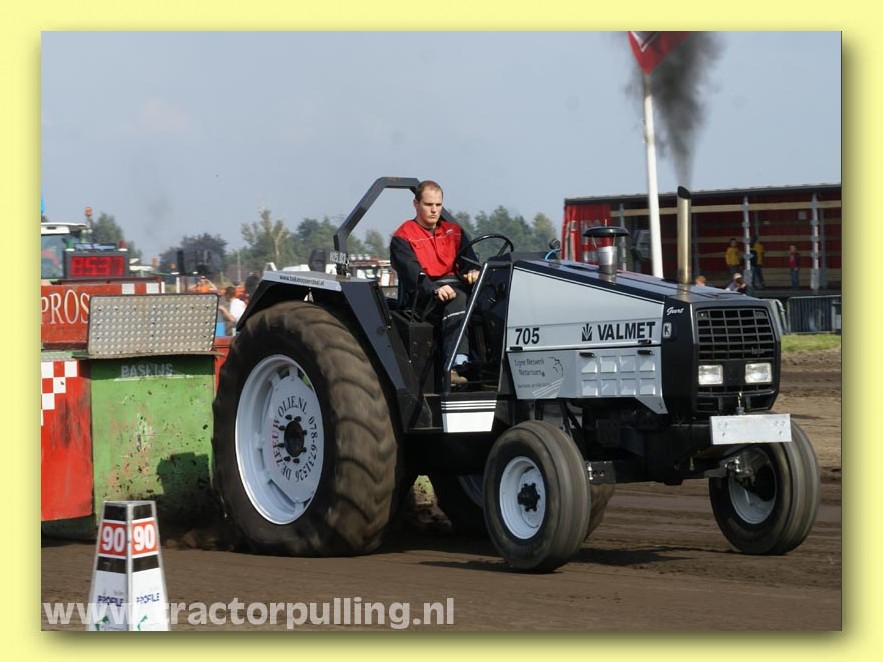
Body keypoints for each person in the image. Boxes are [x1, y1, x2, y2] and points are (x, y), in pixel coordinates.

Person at [390, 180, 479, 385]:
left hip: (456, 286)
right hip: (423, 298)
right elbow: (412, 274)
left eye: (438, 205)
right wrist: (435, 289)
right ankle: (455, 365)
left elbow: (469, 262)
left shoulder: (454, 232)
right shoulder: (403, 237)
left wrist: (473, 272)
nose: (434, 210)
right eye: (429, 204)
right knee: (458, 299)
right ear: (416, 204)